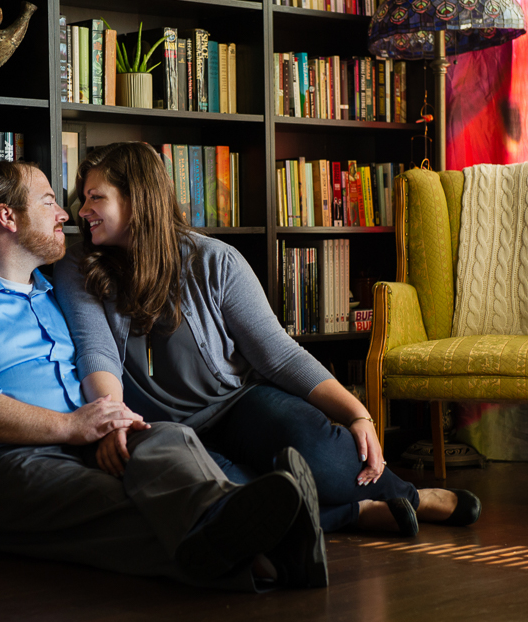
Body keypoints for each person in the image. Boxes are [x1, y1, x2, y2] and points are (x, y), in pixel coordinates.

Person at [0, 160, 329, 591]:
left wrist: (108, 426)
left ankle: (240, 532)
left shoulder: (47, 294)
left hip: (70, 445)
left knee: (167, 438)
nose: (66, 213)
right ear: (6, 216)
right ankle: (271, 557)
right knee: (117, 501)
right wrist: (71, 425)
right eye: (49, 202)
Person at [54, 142, 482, 535]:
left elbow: (278, 354)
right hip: (164, 431)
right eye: (84, 197)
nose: (83, 209)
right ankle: (359, 512)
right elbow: (98, 353)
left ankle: (406, 496)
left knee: (328, 456)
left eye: (96, 197)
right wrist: (112, 419)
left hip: (237, 405)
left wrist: (358, 414)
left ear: (137, 198)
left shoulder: (214, 261)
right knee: (237, 500)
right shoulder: (78, 267)